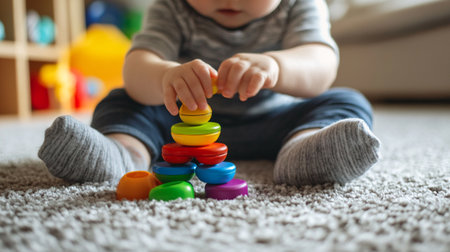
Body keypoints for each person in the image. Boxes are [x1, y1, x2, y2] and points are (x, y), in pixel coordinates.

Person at [38, 0, 381, 186]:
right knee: (121, 99)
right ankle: (125, 155)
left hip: (277, 121)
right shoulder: (172, 7)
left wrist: (276, 66)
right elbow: (137, 68)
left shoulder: (299, 5)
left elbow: (321, 64)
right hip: (178, 128)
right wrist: (165, 76)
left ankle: (302, 152)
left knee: (347, 100)